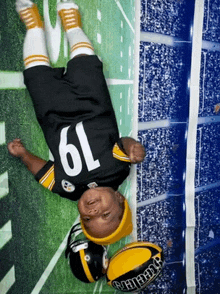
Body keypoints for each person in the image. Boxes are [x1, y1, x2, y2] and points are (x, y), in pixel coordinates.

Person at [8, 0, 145, 245]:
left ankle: (33, 25)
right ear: (120, 199)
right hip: (93, 102)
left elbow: (44, 173)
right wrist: (132, 146)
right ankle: (72, 23)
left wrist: (24, 155)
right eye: (106, 214)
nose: (92, 212)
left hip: (52, 112)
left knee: (34, 72)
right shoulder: (119, 171)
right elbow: (120, 145)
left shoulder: (69, 188)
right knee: (86, 60)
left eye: (88, 220)